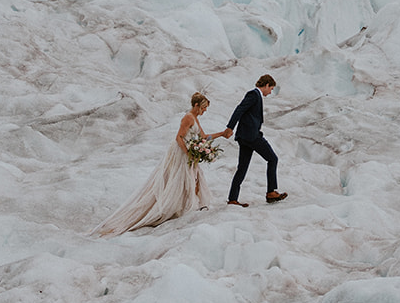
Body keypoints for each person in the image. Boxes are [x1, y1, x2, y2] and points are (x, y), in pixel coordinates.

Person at [96, 92, 226, 236]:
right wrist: (188, 153)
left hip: (188, 151)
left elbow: (202, 136)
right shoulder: (188, 117)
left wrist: (221, 134)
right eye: (203, 108)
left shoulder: (194, 118)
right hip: (181, 151)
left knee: (195, 176)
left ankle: (194, 205)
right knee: (183, 177)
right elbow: (179, 138)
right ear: (196, 105)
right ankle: (182, 206)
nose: (204, 111)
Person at [225, 75, 286, 207]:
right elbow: (239, 109)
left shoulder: (256, 96)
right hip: (252, 136)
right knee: (272, 159)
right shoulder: (253, 94)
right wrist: (230, 127)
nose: (270, 92)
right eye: (271, 89)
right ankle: (271, 192)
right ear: (266, 85)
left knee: (242, 168)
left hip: (245, 137)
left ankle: (232, 199)